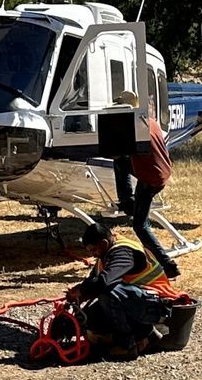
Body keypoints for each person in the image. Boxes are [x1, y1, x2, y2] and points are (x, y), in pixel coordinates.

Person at [70, 219, 177, 357]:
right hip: (140, 301)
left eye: (94, 250)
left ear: (104, 243)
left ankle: (127, 345)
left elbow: (104, 282)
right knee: (89, 318)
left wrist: (80, 290)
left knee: (107, 292)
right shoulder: (106, 253)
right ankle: (146, 334)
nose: (93, 255)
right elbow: (93, 281)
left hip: (157, 306)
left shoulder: (123, 253)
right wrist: (79, 296)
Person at [110, 90, 180, 278]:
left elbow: (117, 153)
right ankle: (129, 202)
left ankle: (167, 264)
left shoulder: (134, 130)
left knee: (140, 226)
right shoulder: (150, 122)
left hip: (150, 179)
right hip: (161, 173)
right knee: (122, 163)